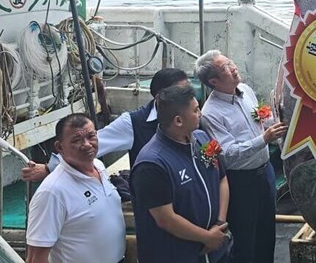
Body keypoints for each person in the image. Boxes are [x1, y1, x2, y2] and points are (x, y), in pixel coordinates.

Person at [196, 50, 288, 263]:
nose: (233, 67)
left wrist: (272, 122)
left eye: (230, 62)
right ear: (213, 82)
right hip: (241, 181)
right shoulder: (211, 113)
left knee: (267, 235)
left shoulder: (246, 91)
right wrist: (264, 139)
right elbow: (227, 154)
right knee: (244, 242)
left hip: (264, 172)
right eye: (226, 68)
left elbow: (260, 116)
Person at [131, 84, 231, 263]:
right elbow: (165, 219)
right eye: (195, 110)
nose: (200, 113)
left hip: (214, 252)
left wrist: (219, 224)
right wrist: (206, 237)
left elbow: (222, 179)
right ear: (178, 120)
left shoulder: (202, 139)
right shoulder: (152, 164)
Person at [22, 68, 190, 182]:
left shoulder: (195, 116)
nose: (189, 96)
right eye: (182, 92)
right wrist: (49, 168)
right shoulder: (134, 123)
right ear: (161, 96)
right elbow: (95, 144)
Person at [26, 113, 125, 263]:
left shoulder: (99, 167)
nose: (86, 145)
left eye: (91, 136)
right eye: (76, 140)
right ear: (59, 147)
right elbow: (35, 259)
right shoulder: (52, 192)